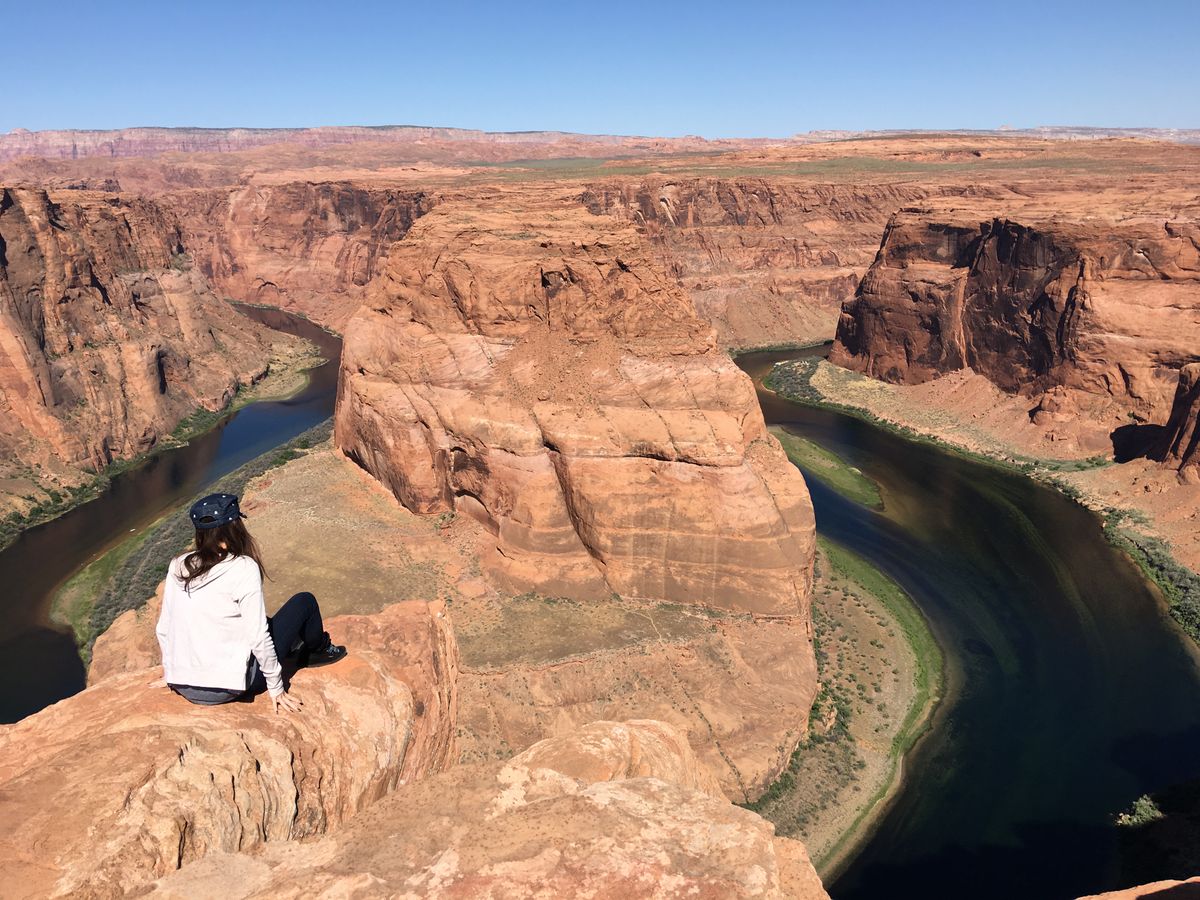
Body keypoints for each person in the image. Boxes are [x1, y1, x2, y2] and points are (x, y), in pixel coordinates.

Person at [154, 492, 346, 713]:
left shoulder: (178, 564)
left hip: (184, 685)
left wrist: (171, 672)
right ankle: (319, 650)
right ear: (233, 528)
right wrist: (276, 688)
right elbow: (257, 635)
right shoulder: (242, 567)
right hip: (233, 687)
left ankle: (299, 647)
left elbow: (165, 627)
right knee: (304, 601)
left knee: (260, 619)